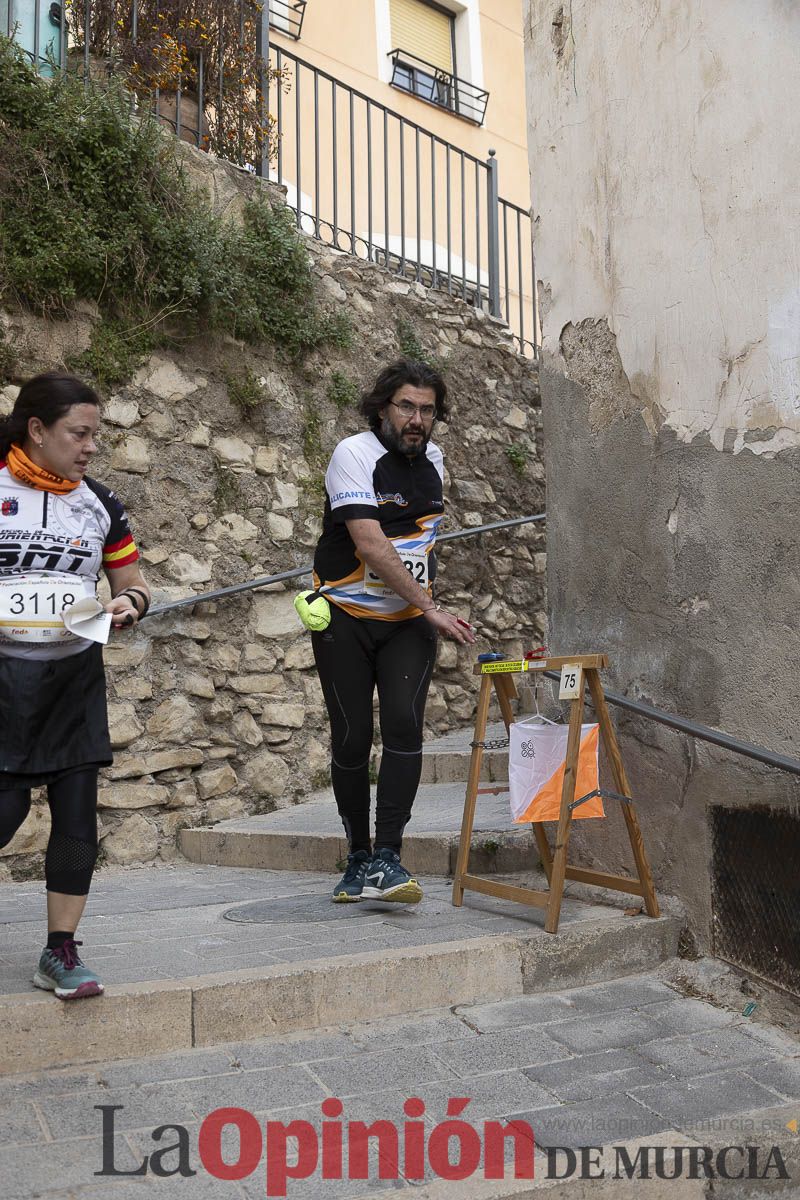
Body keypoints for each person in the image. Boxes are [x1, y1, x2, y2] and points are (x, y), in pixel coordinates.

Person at [0, 372, 150, 999]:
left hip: (73, 677)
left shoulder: (100, 504)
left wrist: (131, 604)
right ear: (37, 430)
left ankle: (59, 951)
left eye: (96, 434)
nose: (90, 446)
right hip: (4, 679)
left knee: (76, 819)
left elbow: (134, 579)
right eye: (78, 433)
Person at [311, 358, 476, 905]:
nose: (417, 419)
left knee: (404, 727)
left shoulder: (434, 459)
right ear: (383, 407)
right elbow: (370, 544)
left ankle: (388, 855)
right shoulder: (353, 455)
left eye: (428, 410)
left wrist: (421, 607)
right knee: (354, 735)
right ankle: (356, 855)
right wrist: (430, 606)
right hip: (346, 618)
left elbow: (417, 544)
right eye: (407, 406)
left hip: (406, 623)